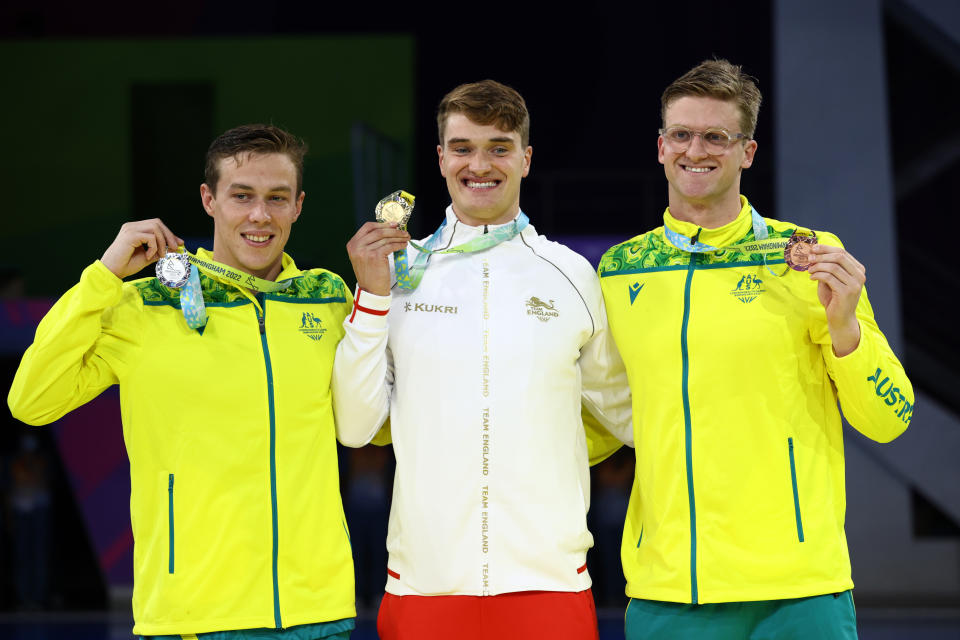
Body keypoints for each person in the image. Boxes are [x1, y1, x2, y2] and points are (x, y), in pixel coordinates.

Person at [597, 59, 914, 639]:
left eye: (717, 136)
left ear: (747, 151)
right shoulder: (619, 271)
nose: (698, 149)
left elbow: (892, 418)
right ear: (662, 146)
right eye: (683, 134)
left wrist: (847, 329)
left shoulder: (811, 258)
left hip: (797, 594)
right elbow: (601, 417)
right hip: (668, 590)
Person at [8, 124, 356, 639]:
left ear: (298, 205)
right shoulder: (147, 307)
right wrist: (103, 276)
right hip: (192, 617)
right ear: (208, 199)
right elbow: (31, 399)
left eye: (277, 198)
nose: (260, 216)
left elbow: (382, 422)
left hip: (317, 614)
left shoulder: (326, 302)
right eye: (242, 196)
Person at [332, 79, 632, 640]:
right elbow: (354, 427)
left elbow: (629, 414)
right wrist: (370, 296)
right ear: (441, 158)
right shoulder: (395, 274)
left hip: (551, 585)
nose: (481, 164)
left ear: (526, 158)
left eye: (499, 146)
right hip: (426, 584)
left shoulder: (571, 275)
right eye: (464, 147)